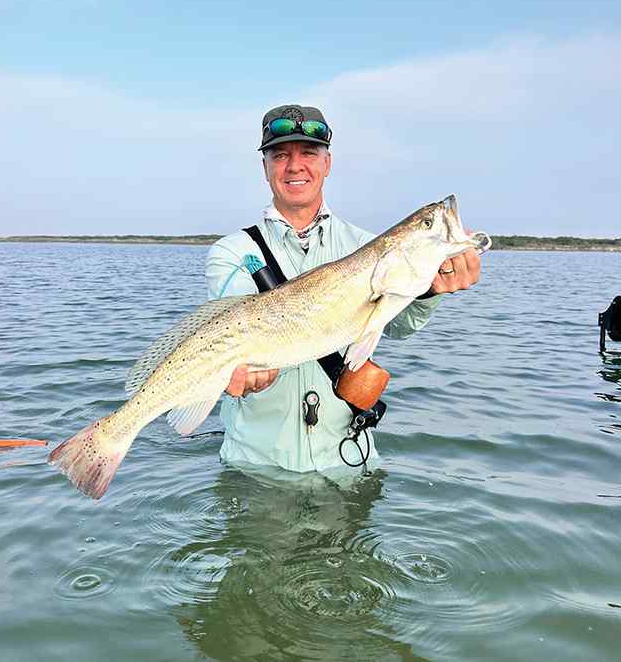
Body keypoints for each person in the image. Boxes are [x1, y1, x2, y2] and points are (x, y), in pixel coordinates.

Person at [205, 104, 481, 472]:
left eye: (309, 153)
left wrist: (430, 292)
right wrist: (237, 375)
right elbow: (231, 332)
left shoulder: (364, 244)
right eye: (280, 155)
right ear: (266, 168)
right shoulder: (233, 252)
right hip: (257, 466)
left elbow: (399, 325)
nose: (295, 166)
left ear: (327, 163)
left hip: (345, 462)